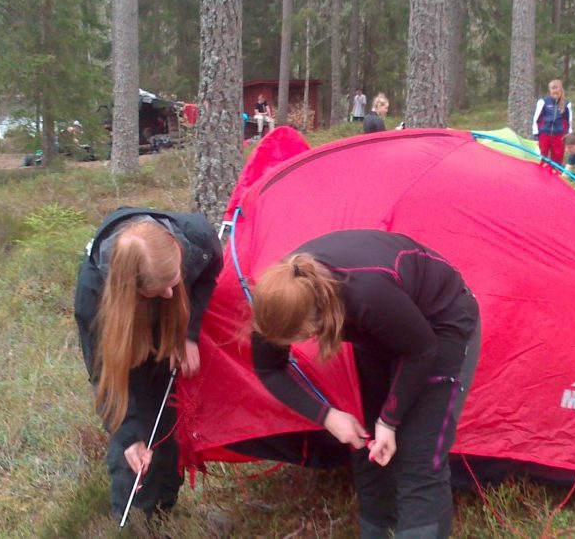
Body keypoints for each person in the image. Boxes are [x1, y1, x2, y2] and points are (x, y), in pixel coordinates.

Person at [250, 230, 481, 539]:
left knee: (418, 457)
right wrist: (328, 416)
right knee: (371, 443)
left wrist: (390, 419)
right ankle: (377, 530)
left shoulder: (366, 293)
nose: (298, 344)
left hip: (441, 324)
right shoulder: (276, 303)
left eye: (301, 338)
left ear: (318, 320)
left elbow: (422, 350)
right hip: (380, 332)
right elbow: (269, 369)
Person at [73, 208, 224, 521]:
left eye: (174, 281)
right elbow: (104, 376)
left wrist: (189, 333)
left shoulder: (197, 240)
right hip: (125, 336)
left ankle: (163, 513)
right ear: (134, 290)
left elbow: (209, 274)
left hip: (168, 327)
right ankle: (134, 520)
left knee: (165, 422)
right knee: (136, 432)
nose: (170, 292)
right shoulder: (93, 299)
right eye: (160, 289)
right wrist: (129, 435)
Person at [531, 79, 573, 168]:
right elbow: (536, 119)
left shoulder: (567, 104)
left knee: (557, 161)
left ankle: (554, 176)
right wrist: (536, 135)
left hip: (559, 136)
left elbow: (569, 121)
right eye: (552, 90)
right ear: (550, 90)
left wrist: (568, 136)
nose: (555, 93)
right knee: (541, 158)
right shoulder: (543, 102)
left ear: (561, 90)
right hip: (544, 134)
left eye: (556, 90)